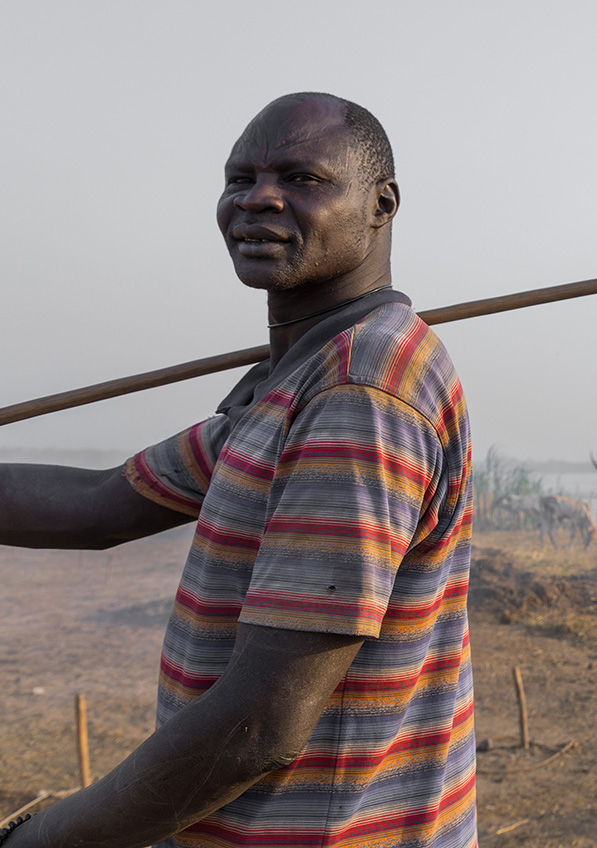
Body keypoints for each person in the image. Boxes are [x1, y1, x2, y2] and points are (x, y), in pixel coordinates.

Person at [0, 93, 476, 848]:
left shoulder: (359, 389)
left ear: (382, 204)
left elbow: (261, 723)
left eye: (303, 178)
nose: (257, 198)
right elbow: (99, 505)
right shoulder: (298, 377)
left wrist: (38, 837)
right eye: (239, 178)